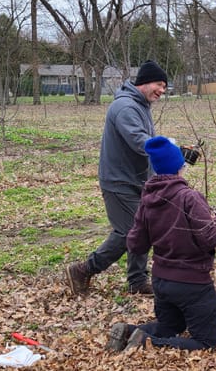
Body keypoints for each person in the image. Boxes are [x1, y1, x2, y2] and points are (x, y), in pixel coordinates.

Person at [106, 136, 216, 351]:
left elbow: (135, 245)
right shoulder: (189, 197)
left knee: (171, 325)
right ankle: (148, 342)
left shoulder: (147, 200)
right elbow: (209, 238)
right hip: (192, 284)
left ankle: (129, 331)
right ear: (179, 166)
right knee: (208, 341)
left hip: (161, 282)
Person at [65, 59, 167, 297]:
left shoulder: (140, 105)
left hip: (136, 180)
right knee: (129, 232)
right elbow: (139, 141)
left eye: (165, 86)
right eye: (159, 84)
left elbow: (144, 142)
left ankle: (137, 280)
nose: (162, 90)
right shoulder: (126, 107)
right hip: (119, 181)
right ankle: (83, 270)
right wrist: (171, 150)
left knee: (143, 228)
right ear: (144, 82)